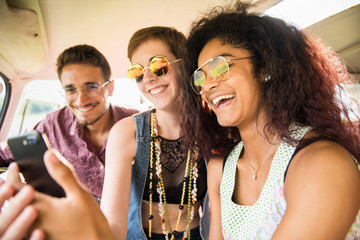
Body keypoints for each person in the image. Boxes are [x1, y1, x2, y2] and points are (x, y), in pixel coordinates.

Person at [180, 1, 360, 239]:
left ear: (265, 67)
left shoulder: (323, 163)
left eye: (220, 67)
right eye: (199, 78)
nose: (208, 85)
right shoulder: (220, 170)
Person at [100, 26, 209, 240]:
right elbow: (112, 224)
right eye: (137, 72)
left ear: (185, 65)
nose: (147, 78)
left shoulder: (212, 128)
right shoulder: (125, 133)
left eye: (159, 65)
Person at [0, 44, 138, 200]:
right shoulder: (53, 126)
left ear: (110, 88)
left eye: (91, 87)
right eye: (71, 90)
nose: (81, 100)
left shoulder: (138, 124)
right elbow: (5, 153)